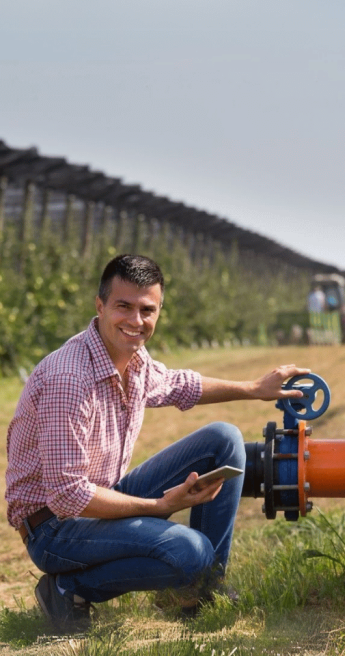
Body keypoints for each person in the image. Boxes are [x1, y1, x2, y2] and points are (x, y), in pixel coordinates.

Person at [5, 253, 309, 634]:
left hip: (99, 498)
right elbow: (68, 497)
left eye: (147, 310)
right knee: (190, 550)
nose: (136, 321)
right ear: (100, 306)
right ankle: (68, 587)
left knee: (224, 438)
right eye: (123, 307)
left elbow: (181, 384)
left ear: (159, 311)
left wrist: (254, 389)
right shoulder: (70, 380)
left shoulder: (133, 360)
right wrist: (160, 506)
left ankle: (200, 590)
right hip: (53, 528)